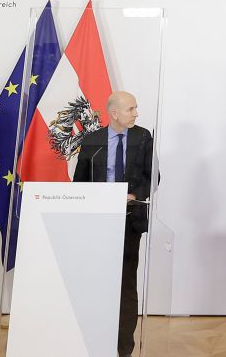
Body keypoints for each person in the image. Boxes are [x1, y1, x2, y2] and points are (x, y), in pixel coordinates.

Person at [75, 91, 156, 357]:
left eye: (136, 108)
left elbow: (153, 177)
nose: (136, 113)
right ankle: (93, 341)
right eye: (131, 108)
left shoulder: (143, 137)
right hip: (97, 223)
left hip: (129, 220)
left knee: (125, 285)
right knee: (96, 283)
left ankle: (124, 348)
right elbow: (80, 183)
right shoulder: (92, 141)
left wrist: (133, 195)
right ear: (114, 113)